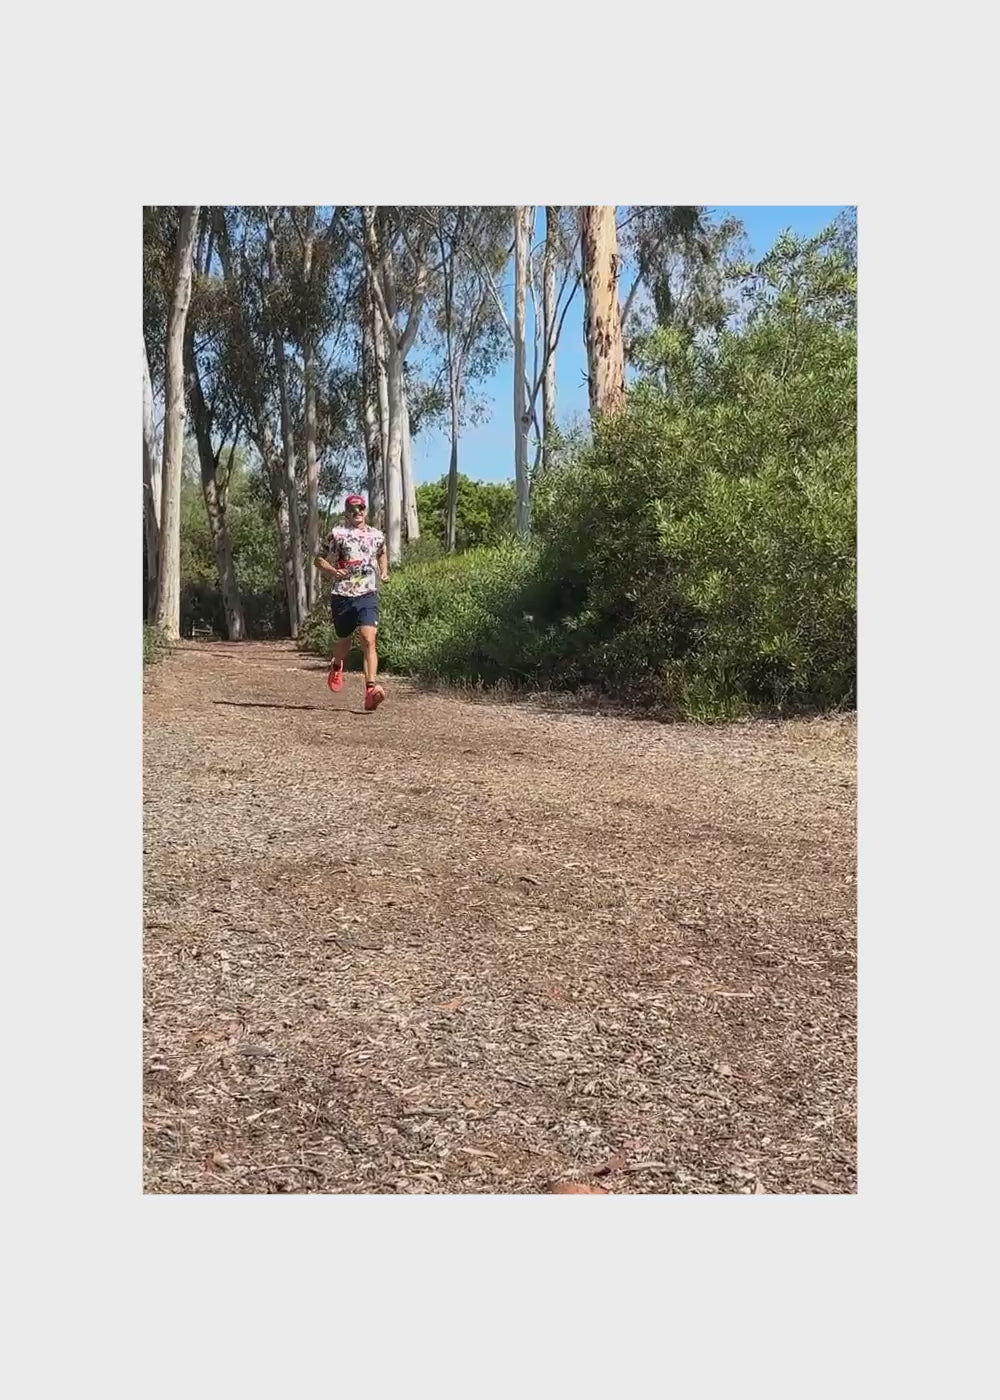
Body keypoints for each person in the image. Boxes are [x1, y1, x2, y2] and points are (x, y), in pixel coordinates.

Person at [315, 494, 389, 711]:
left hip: (367, 594)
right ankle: (337, 664)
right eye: (352, 509)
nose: (357, 512)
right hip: (343, 595)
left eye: (361, 508)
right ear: (346, 512)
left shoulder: (376, 535)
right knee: (344, 642)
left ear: (365, 510)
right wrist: (333, 571)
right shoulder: (337, 534)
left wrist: (384, 571)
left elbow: (382, 552)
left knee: (368, 639)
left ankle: (370, 690)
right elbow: (318, 559)